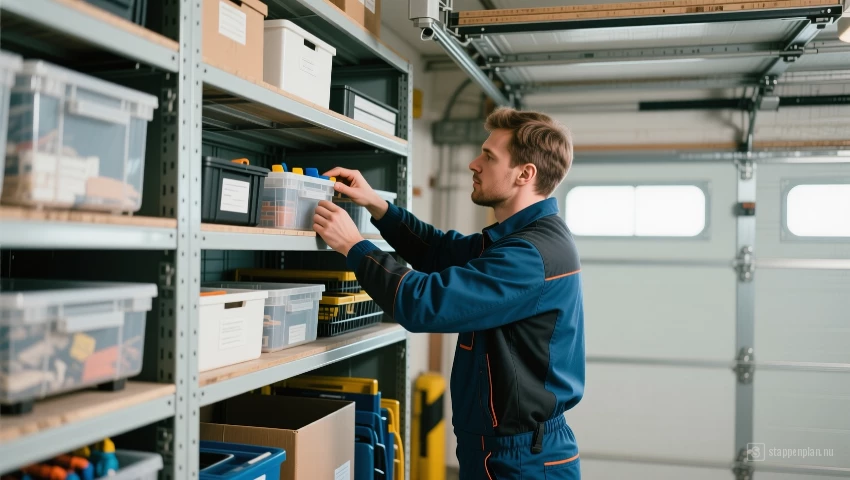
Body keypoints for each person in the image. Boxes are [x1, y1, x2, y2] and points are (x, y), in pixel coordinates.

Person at [313, 107, 584, 480]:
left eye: (489, 156)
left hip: (521, 460)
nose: (474, 163)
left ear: (525, 174)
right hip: (498, 448)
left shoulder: (531, 256)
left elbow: (422, 303)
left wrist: (355, 246)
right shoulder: (518, 240)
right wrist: (377, 205)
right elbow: (438, 251)